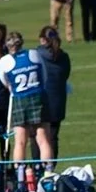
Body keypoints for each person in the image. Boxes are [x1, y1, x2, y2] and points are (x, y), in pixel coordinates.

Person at [0, 31, 52, 189]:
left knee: (20, 141)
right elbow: (45, 76)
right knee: (43, 139)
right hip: (38, 96)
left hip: (20, 98)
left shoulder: (5, 61)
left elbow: (5, 82)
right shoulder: (34, 54)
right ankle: (48, 174)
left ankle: (20, 177)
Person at [37, 27, 72, 157]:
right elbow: (65, 75)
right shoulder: (63, 56)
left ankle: (38, 167)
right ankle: (51, 168)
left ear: (43, 39)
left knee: (38, 136)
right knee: (53, 136)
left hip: (40, 100)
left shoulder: (37, 54)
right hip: (58, 100)